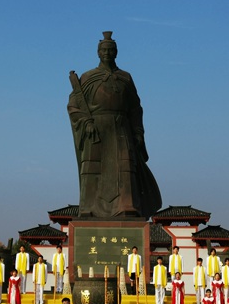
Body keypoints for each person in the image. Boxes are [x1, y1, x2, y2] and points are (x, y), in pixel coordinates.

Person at [67, 31, 162, 218]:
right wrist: (86, 122)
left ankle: (127, 206)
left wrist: (138, 132)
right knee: (93, 168)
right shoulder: (88, 77)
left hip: (121, 128)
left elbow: (135, 108)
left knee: (125, 168)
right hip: (96, 129)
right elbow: (74, 105)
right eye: (104, 50)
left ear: (116, 52)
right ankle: (89, 207)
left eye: (111, 50)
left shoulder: (125, 78)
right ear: (98, 52)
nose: (107, 53)